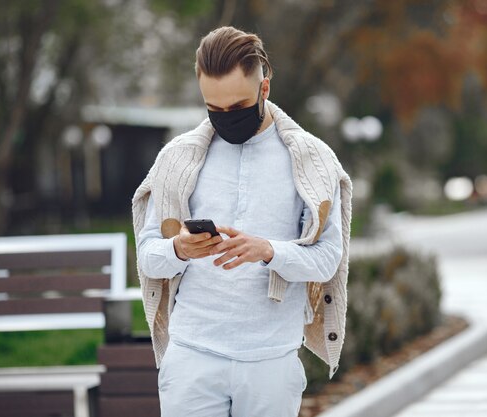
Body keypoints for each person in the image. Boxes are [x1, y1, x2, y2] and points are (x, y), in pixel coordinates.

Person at [132, 26, 352, 417]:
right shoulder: (178, 159)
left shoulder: (312, 162)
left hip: (271, 359)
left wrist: (269, 251)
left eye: (236, 107)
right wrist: (179, 248)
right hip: (191, 357)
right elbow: (149, 256)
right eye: (213, 109)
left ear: (264, 88)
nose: (225, 118)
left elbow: (328, 258)